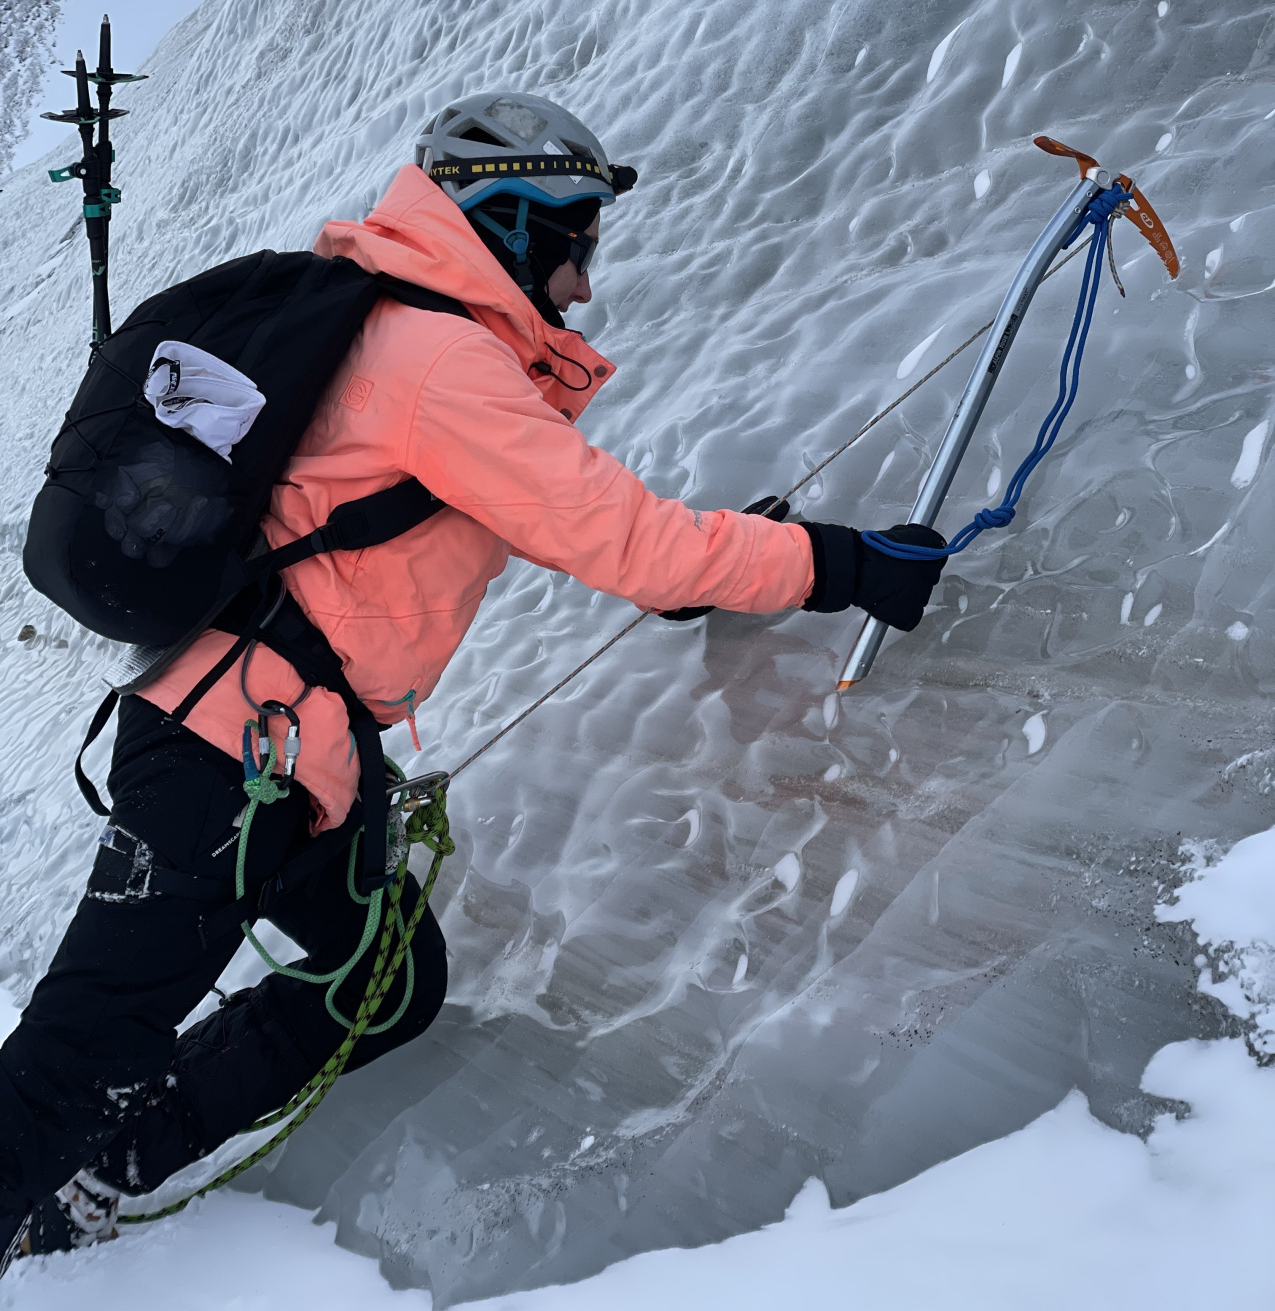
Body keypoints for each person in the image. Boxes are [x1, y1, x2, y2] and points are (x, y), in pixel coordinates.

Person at [0, 92, 944, 1268]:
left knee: (383, 983)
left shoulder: (420, 338)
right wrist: (840, 563)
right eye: (577, 239)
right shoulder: (439, 357)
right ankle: (64, 1154)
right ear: (508, 219)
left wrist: (732, 561)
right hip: (225, 762)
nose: (586, 279)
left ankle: (103, 1166)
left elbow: (617, 543)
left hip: (299, 760)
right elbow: (631, 544)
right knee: (73, 1056)